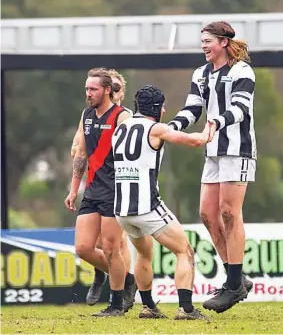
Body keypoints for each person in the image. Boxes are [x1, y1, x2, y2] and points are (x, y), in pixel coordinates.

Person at [168, 21, 256, 313]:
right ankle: (237, 277)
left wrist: (215, 122)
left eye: (208, 41)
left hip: (237, 150)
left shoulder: (242, 70)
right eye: (202, 41)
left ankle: (232, 285)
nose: (204, 46)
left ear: (223, 42)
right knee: (207, 214)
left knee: (230, 212)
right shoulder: (201, 74)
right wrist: (169, 128)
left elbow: (240, 109)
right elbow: (193, 109)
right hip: (214, 151)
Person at [112, 85, 210, 320]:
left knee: (144, 255)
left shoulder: (120, 128)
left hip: (122, 210)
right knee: (184, 251)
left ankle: (148, 307)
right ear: (156, 108)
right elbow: (194, 142)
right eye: (163, 106)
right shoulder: (155, 128)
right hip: (147, 207)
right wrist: (209, 129)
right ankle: (186, 309)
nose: (165, 110)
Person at [65, 67, 135, 316]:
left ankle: (116, 304)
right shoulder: (86, 115)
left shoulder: (123, 116)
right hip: (92, 191)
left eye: (93, 89)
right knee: (83, 248)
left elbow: (135, 153)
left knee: (110, 248)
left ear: (107, 90)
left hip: (115, 191)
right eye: (87, 89)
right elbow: (80, 154)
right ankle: (127, 279)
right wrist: (74, 190)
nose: (88, 93)